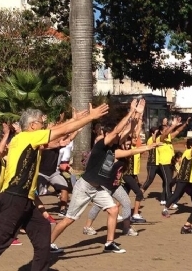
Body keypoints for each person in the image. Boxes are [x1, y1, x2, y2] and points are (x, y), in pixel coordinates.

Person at [0, 104, 108, 270]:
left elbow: (58, 134)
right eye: (41, 122)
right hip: (15, 197)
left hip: (26, 199)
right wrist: (90, 118)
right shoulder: (27, 137)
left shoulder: (25, 140)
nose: (44, 125)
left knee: (42, 230)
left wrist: (74, 120)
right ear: (32, 125)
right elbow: (60, 131)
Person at [50, 99, 144, 254]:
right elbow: (116, 131)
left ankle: (109, 243)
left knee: (113, 210)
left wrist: (136, 113)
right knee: (69, 219)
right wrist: (130, 112)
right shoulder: (101, 144)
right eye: (113, 133)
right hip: (84, 186)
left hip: (97, 187)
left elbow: (127, 131)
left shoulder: (114, 146)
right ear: (106, 134)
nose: (117, 135)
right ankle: (48, 243)